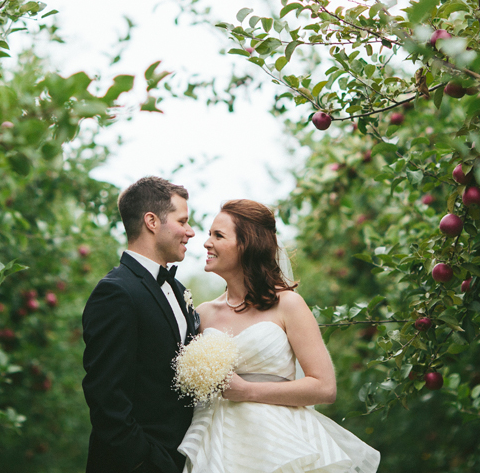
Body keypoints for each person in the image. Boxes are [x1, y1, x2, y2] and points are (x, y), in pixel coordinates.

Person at [179, 199, 380, 473]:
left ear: (246, 245)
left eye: (218, 235)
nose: (206, 243)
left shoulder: (288, 305)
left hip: (280, 444)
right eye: (209, 234)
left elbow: (324, 387)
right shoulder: (203, 314)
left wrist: (246, 390)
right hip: (219, 446)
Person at [82, 176, 200, 473]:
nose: (191, 231)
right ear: (152, 221)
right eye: (183, 221)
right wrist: (149, 462)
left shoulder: (177, 288)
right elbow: (107, 399)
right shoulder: (116, 292)